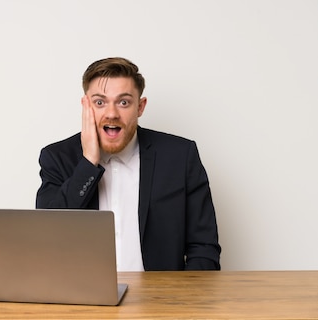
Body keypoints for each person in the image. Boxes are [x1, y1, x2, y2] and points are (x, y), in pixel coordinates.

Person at [35, 57, 221, 271]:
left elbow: (204, 248)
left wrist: (182, 299)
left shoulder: (180, 156)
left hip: (162, 300)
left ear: (140, 107)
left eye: (123, 102)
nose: (112, 113)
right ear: (86, 106)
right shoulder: (57, 157)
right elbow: (47, 237)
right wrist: (88, 164)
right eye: (99, 102)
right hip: (82, 299)